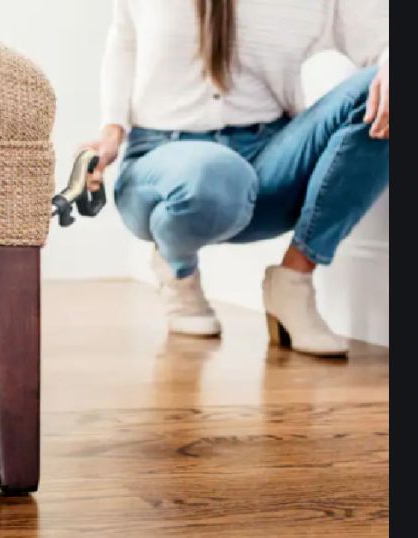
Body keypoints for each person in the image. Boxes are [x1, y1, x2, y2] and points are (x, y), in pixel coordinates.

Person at [81, 0, 389, 357]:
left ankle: (294, 279)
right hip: (161, 160)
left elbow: (381, 39)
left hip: (268, 159)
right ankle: (177, 268)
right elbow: (124, 41)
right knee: (217, 173)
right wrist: (111, 130)